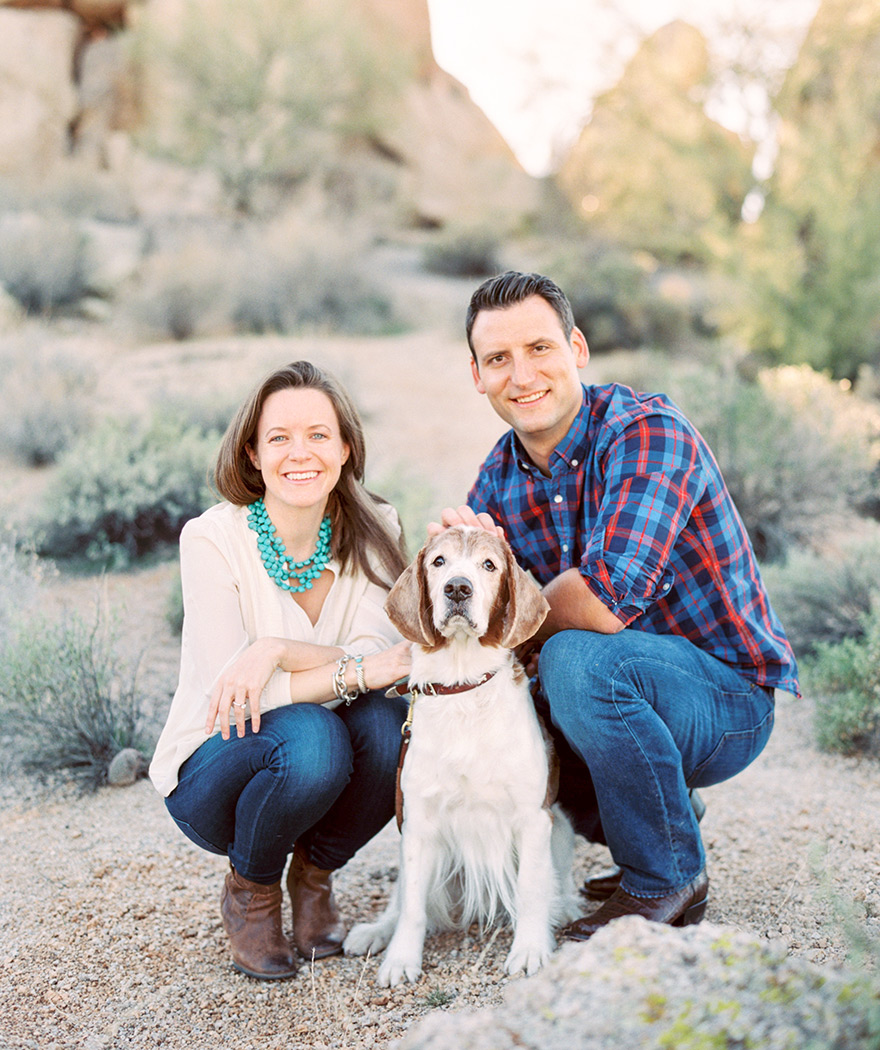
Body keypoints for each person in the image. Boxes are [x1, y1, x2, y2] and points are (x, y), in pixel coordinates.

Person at [432, 271, 799, 939]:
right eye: (498, 359)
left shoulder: (647, 431)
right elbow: (483, 623)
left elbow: (603, 601)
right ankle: (659, 816)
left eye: (539, 348)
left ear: (577, 348)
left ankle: (666, 879)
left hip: (726, 701)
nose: (522, 374)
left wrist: (514, 609)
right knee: (508, 701)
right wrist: (463, 567)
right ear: (478, 375)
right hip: (625, 700)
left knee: (574, 659)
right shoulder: (497, 474)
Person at [149, 361, 411, 980]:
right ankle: (252, 890)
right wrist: (350, 670)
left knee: (387, 725)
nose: (301, 453)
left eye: (319, 435)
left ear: (346, 447)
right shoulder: (212, 539)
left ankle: (314, 876)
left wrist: (276, 649)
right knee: (313, 735)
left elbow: (380, 652)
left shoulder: (378, 527)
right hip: (217, 770)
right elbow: (239, 693)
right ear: (252, 453)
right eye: (280, 438)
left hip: (326, 766)